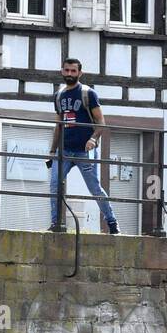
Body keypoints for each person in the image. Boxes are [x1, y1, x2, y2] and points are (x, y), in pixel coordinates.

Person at [47, 58, 118, 235]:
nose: (69, 74)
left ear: (80, 73)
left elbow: (101, 122)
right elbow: (58, 125)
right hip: (64, 150)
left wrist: (93, 139)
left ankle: (112, 222)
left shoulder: (88, 93)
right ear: (61, 71)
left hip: (84, 151)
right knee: (55, 184)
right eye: (67, 70)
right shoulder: (59, 95)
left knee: (94, 188)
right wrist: (52, 150)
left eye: (73, 71)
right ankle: (55, 223)